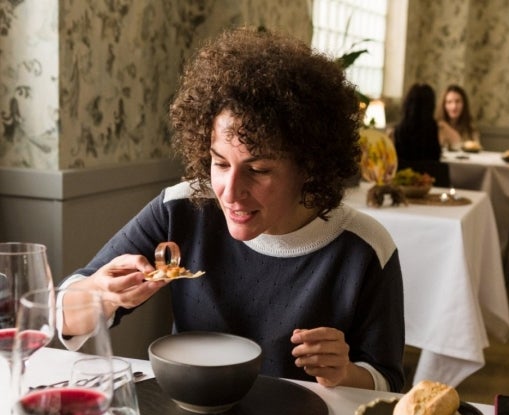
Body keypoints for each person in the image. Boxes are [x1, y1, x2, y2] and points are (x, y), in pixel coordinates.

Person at [59, 27, 405, 393]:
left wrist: (345, 373)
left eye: (259, 170)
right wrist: (100, 296)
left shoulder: (365, 248)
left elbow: (388, 380)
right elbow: (63, 314)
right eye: (220, 163)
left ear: (310, 167)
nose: (230, 192)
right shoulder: (180, 210)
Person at [391, 83, 442, 169]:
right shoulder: (434, 128)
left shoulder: (399, 129)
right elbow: (436, 158)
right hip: (430, 176)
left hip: (403, 176)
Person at [436, 84, 482, 150]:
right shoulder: (438, 126)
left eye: (457, 101)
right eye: (449, 102)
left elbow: (475, 148)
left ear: (464, 104)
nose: (454, 106)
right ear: (444, 105)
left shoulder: (470, 126)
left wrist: (449, 130)